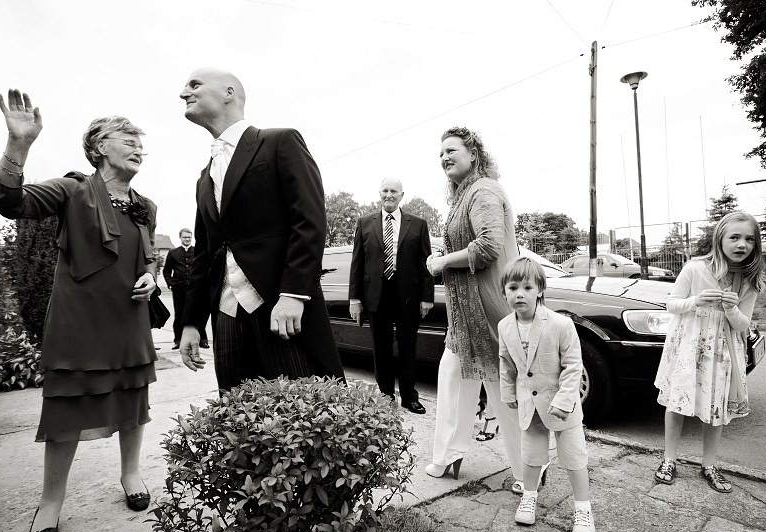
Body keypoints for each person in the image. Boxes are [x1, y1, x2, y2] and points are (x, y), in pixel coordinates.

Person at [0, 90, 158, 532]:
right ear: (100, 146)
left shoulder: (147, 205)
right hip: (79, 324)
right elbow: (6, 199)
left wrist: (150, 277)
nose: (139, 147)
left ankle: (131, 474)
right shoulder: (71, 190)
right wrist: (18, 145)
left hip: (129, 323)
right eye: (129, 140)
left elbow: (148, 259)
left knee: (132, 403)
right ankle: (49, 504)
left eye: (141, 141)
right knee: (64, 413)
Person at [177, 68, 344, 388]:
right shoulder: (204, 176)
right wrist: (192, 323)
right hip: (226, 317)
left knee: (300, 416)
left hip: (280, 309)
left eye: (194, 85)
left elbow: (308, 222)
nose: (184, 92)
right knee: (239, 420)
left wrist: (294, 294)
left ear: (229, 93)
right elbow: (204, 254)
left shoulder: (279, 142)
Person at [423, 126, 528, 489]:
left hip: (491, 313)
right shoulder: (462, 196)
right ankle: (448, 455)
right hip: (463, 318)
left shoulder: (483, 190)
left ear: (474, 154)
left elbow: (488, 247)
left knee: (503, 394)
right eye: (440, 154)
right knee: (453, 377)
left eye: (451, 150)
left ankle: (529, 469)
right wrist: (446, 258)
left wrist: (442, 262)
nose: (444, 157)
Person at [654, 211, 765, 493]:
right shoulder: (695, 268)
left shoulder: (749, 278)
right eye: (735, 237)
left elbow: (743, 325)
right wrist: (696, 300)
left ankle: (709, 465)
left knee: (716, 407)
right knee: (677, 403)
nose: (742, 244)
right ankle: (669, 459)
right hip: (690, 345)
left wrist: (731, 308)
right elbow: (672, 304)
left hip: (724, 351)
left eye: (749, 239)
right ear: (720, 239)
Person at [499, 257, 595, 532]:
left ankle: (583, 509)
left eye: (527, 287)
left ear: (540, 289)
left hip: (561, 407)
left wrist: (565, 401)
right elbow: (506, 363)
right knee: (530, 456)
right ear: (504, 290)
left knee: (574, 458)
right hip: (530, 406)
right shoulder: (505, 326)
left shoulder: (560, 324)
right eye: (512, 287)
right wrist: (508, 393)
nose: (520, 294)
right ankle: (529, 496)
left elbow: (573, 366)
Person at [348, 178, 434, 414]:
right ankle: (385, 397)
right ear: (379, 193)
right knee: (381, 348)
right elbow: (357, 263)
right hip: (376, 295)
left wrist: (427, 298)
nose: (389, 194)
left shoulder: (418, 224)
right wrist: (354, 299)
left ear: (401, 195)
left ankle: (409, 397)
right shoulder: (365, 223)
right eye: (385, 190)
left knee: (408, 347)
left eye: (393, 191)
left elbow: (425, 263)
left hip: (407, 295)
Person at [163, 228, 208, 349]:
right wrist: (171, 283)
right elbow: (166, 271)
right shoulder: (173, 252)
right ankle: (178, 340)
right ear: (180, 238)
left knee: (199, 312)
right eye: (185, 237)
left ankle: (203, 339)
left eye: (189, 237)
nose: (187, 239)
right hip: (179, 289)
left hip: (196, 288)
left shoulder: (198, 251)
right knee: (179, 315)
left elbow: (204, 268)